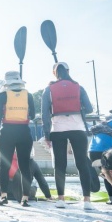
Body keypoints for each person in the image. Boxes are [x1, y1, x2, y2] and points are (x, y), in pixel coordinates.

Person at [41, 62, 96, 211]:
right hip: (78, 128)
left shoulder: (49, 89)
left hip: (57, 129)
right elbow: (90, 108)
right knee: (82, 164)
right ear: (68, 71)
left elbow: (45, 114)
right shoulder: (79, 87)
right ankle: (87, 201)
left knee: (60, 165)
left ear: (54, 73)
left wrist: (46, 134)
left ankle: (60, 199)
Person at [0, 71, 35, 207]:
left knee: (4, 166)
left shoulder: (2, 95)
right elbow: (33, 115)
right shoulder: (29, 95)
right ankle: (25, 199)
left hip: (7, 132)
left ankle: (3, 196)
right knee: (24, 167)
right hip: (24, 132)